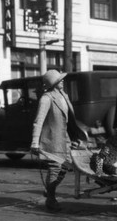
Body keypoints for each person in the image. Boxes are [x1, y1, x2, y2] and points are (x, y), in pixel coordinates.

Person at [31, 69, 86, 212]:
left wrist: (76, 136)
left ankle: (50, 188)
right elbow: (38, 121)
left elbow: (71, 119)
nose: (62, 81)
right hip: (52, 140)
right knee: (55, 168)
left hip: (65, 139)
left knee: (66, 167)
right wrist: (35, 142)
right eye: (59, 80)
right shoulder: (46, 98)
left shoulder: (64, 96)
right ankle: (50, 198)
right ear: (52, 84)